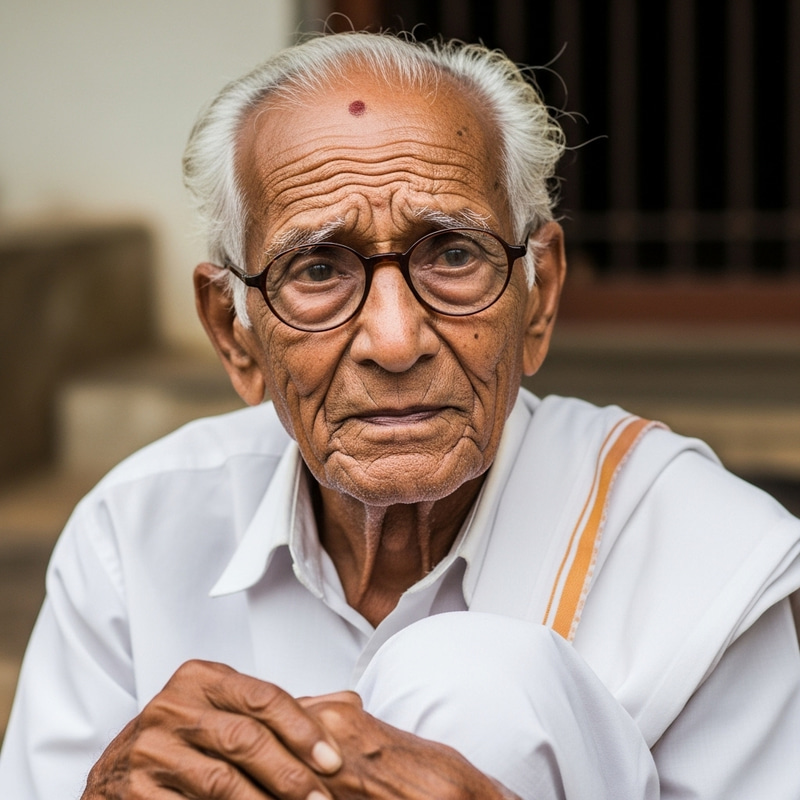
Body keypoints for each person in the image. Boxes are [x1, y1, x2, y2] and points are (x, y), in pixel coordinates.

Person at [1, 30, 799, 800]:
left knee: (479, 692)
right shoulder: (133, 537)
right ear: (233, 334)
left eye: (453, 254)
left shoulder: (702, 553)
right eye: (317, 268)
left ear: (540, 299)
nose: (393, 339)